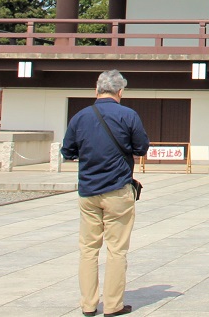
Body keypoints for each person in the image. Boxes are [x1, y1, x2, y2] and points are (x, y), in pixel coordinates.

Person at [60, 70, 150, 317]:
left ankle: (88, 305)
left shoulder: (80, 117)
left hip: (88, 191)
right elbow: (141, 147)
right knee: (116, 250)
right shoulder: (128, 115)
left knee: (88, 249)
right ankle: (113, 305)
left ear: (96, 89)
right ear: (120, 91)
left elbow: (67, 151)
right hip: (118, 190)